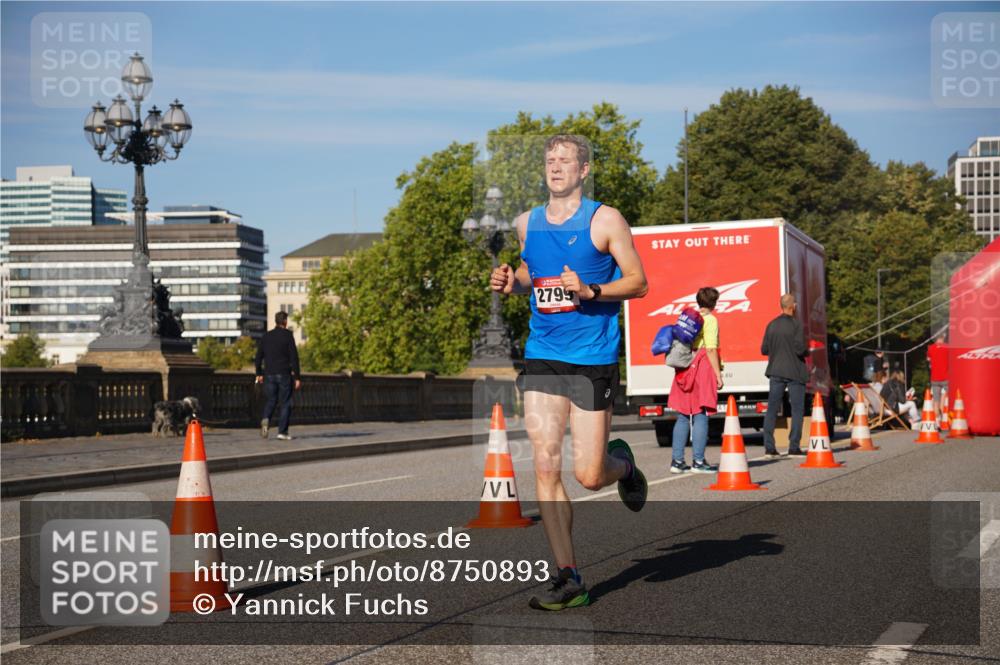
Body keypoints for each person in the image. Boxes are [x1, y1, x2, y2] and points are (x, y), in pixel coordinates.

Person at [490, 134, 649, 611]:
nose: (555, 167)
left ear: (583, 171)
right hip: (543, 352)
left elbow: (639, 282)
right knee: (543, 464)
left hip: (592, 357)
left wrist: (591, 290)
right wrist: (510, 281)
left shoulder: (605, 220)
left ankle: (622, 465)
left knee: (590, 475)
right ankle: (569, 576)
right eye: (549, 160)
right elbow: (528, 274)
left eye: (565, 161)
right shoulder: (528, 223)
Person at [669, 287, 723, 473]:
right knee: (701, 414)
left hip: (684, 365)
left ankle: (677, 461)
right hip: (702, 366)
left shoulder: (688, 318)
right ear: (714, 303)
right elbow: (710, 348)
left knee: (683, 415)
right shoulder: (711, 320)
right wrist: (718, 374)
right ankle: (698, 462)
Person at [760, 293, 809, 459]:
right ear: (793, 306)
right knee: (796, 409)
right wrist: (807, 351)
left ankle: (769, 448)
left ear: (781, 306)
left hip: (775, 371)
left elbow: (764, 350)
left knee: (772, 409)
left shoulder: (771, 325)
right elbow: (799, 349)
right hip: (795, 372)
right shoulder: (796, 325)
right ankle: (794, 447)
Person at [255, 311, 301, 440]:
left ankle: (265, 418)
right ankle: (282, 432)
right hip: (284, 374)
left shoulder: (266, 336)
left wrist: (259, 373)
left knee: (271, 400)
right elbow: (294, 357)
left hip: (269, 374)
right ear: (285, 321)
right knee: (286, 402)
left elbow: (258, 357)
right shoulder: (287, 336)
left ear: (276, 321)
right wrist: (297, 377)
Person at [927, 334, 949, 414]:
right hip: (946, 378)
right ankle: (944, 419)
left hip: (934, 378)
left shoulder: (930, 348)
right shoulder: (947, 348)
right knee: (944, 398)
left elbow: (929, 360)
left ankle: (937, 420)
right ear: (943, 338)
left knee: (936, 400)